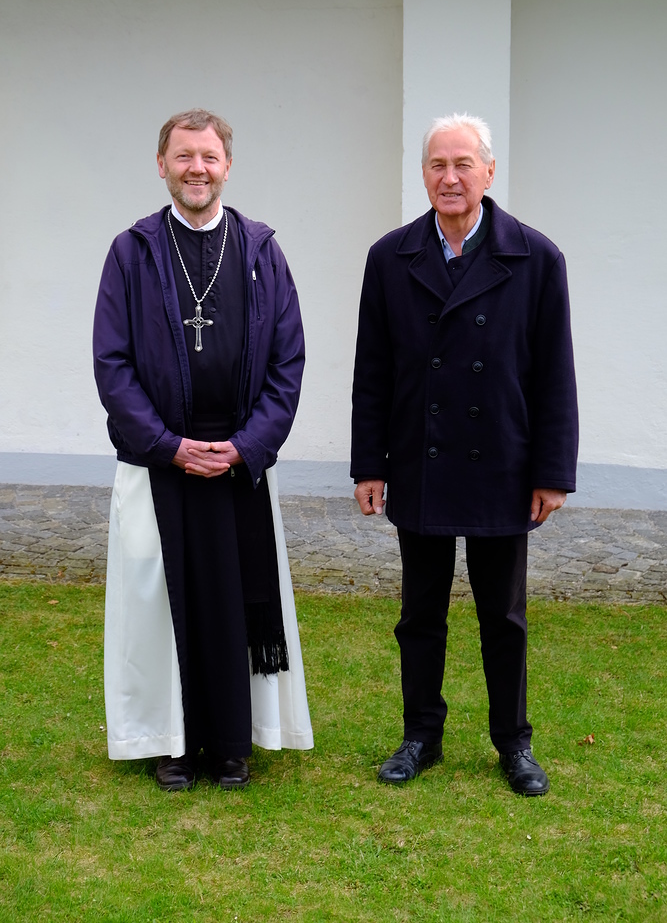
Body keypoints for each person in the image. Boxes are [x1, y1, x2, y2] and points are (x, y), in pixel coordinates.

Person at [351, 113, 577, 796]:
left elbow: (554, 374)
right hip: (419, 460)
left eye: (462, 164)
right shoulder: (389, 258)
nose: (449, 178)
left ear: (488, 171)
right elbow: (373, 370)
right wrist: (370, 463)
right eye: (436, 165)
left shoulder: (536, 258)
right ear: (423, 174)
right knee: (419, 614)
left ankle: (514, 743)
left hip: (500, 461)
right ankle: (420, 736)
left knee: (502, 616)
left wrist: (551, 472)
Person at [93, 108, 313, 792]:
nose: (197, 169)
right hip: (161, 461)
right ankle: (172, 744)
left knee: (232, 599)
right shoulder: (132, 252)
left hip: (236, 462)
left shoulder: (260, 251)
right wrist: (168, 446)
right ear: (161, 164)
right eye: (183, 156)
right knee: (162, 607)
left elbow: (287, 361)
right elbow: (112, 364)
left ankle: (232, 743)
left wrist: (246, 446)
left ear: (227, 166)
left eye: (209, 157)